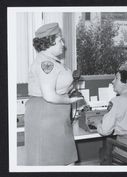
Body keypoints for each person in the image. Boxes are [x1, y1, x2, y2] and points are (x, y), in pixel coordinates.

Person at [24, 23, 83, 165]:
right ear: (50, 42)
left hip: (55, 116)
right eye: (60, 40)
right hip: (47, 116)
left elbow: (55, 87)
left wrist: (68, 90)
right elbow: (49, 96)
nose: (63, 44)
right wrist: (70, 100)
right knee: (54, 163)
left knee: (65, 161)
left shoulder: (52, 61)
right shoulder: (46, 63)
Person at [93, 64, 127, 162]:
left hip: (126, 151)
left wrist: (97, 124)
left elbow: (105, 131)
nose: (113, 81)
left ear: (126, 82)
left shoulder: (116, 101)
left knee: (102, 151)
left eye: (116, 78)